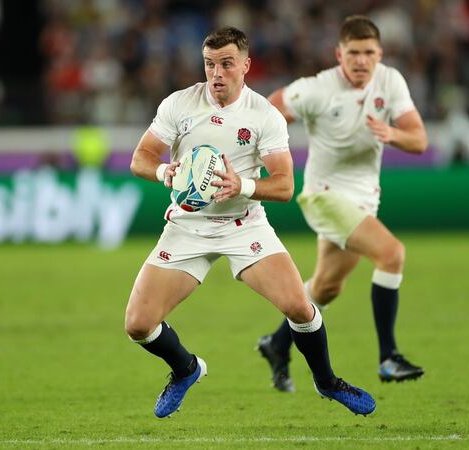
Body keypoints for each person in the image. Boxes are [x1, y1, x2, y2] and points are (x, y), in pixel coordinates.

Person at [124, 26, 375, 419]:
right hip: (188, 225)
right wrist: (163, 172)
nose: (217, 73)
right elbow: (141, 157)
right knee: (138, 325)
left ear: (245, 65)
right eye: (209, 64)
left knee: (299, 307)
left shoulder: (264, 115)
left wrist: (241, 185)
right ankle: (186, 369)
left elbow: (285, 185)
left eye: (226, 64)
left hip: (244, 224)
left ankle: (327, 381)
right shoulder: (179, 104)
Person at [259, 15, 427, 393]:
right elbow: (270, 110)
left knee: (326, 287)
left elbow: (418, 140)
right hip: (324, 195)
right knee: (391, 254)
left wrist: (391, 133)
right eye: (353, 53)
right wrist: (266, 151)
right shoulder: (318, 88)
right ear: (339, 54)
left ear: (380, 54)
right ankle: (389, 357)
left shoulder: (390, 81)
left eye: (368, 53)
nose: (361, 61)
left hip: (363, 199)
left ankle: (277, 343)